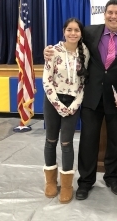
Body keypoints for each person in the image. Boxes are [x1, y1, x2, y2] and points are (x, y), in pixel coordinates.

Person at [44, 0, 117, 200]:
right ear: (104, 14)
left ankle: (113, 177)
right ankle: (85, 182)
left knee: (116, 140)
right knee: (89, 141)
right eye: (109, 12)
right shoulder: (89, 33)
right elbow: (70, 46)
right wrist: (49, 50)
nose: (113, 16)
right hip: (91, 97)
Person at [42, 18, 89, 204]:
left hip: (73, 104)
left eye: (76, 30)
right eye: (69, 30)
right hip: (53, 101)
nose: (73, 33)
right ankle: (51, 181)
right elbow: (46, 80)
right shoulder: (53, 51)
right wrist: (58, 105)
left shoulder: (84, 51)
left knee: (67, 143)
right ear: (64, 32)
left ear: (81, 33)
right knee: (51, 140)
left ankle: (67, 185)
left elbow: (83, 83)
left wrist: (74, 104)